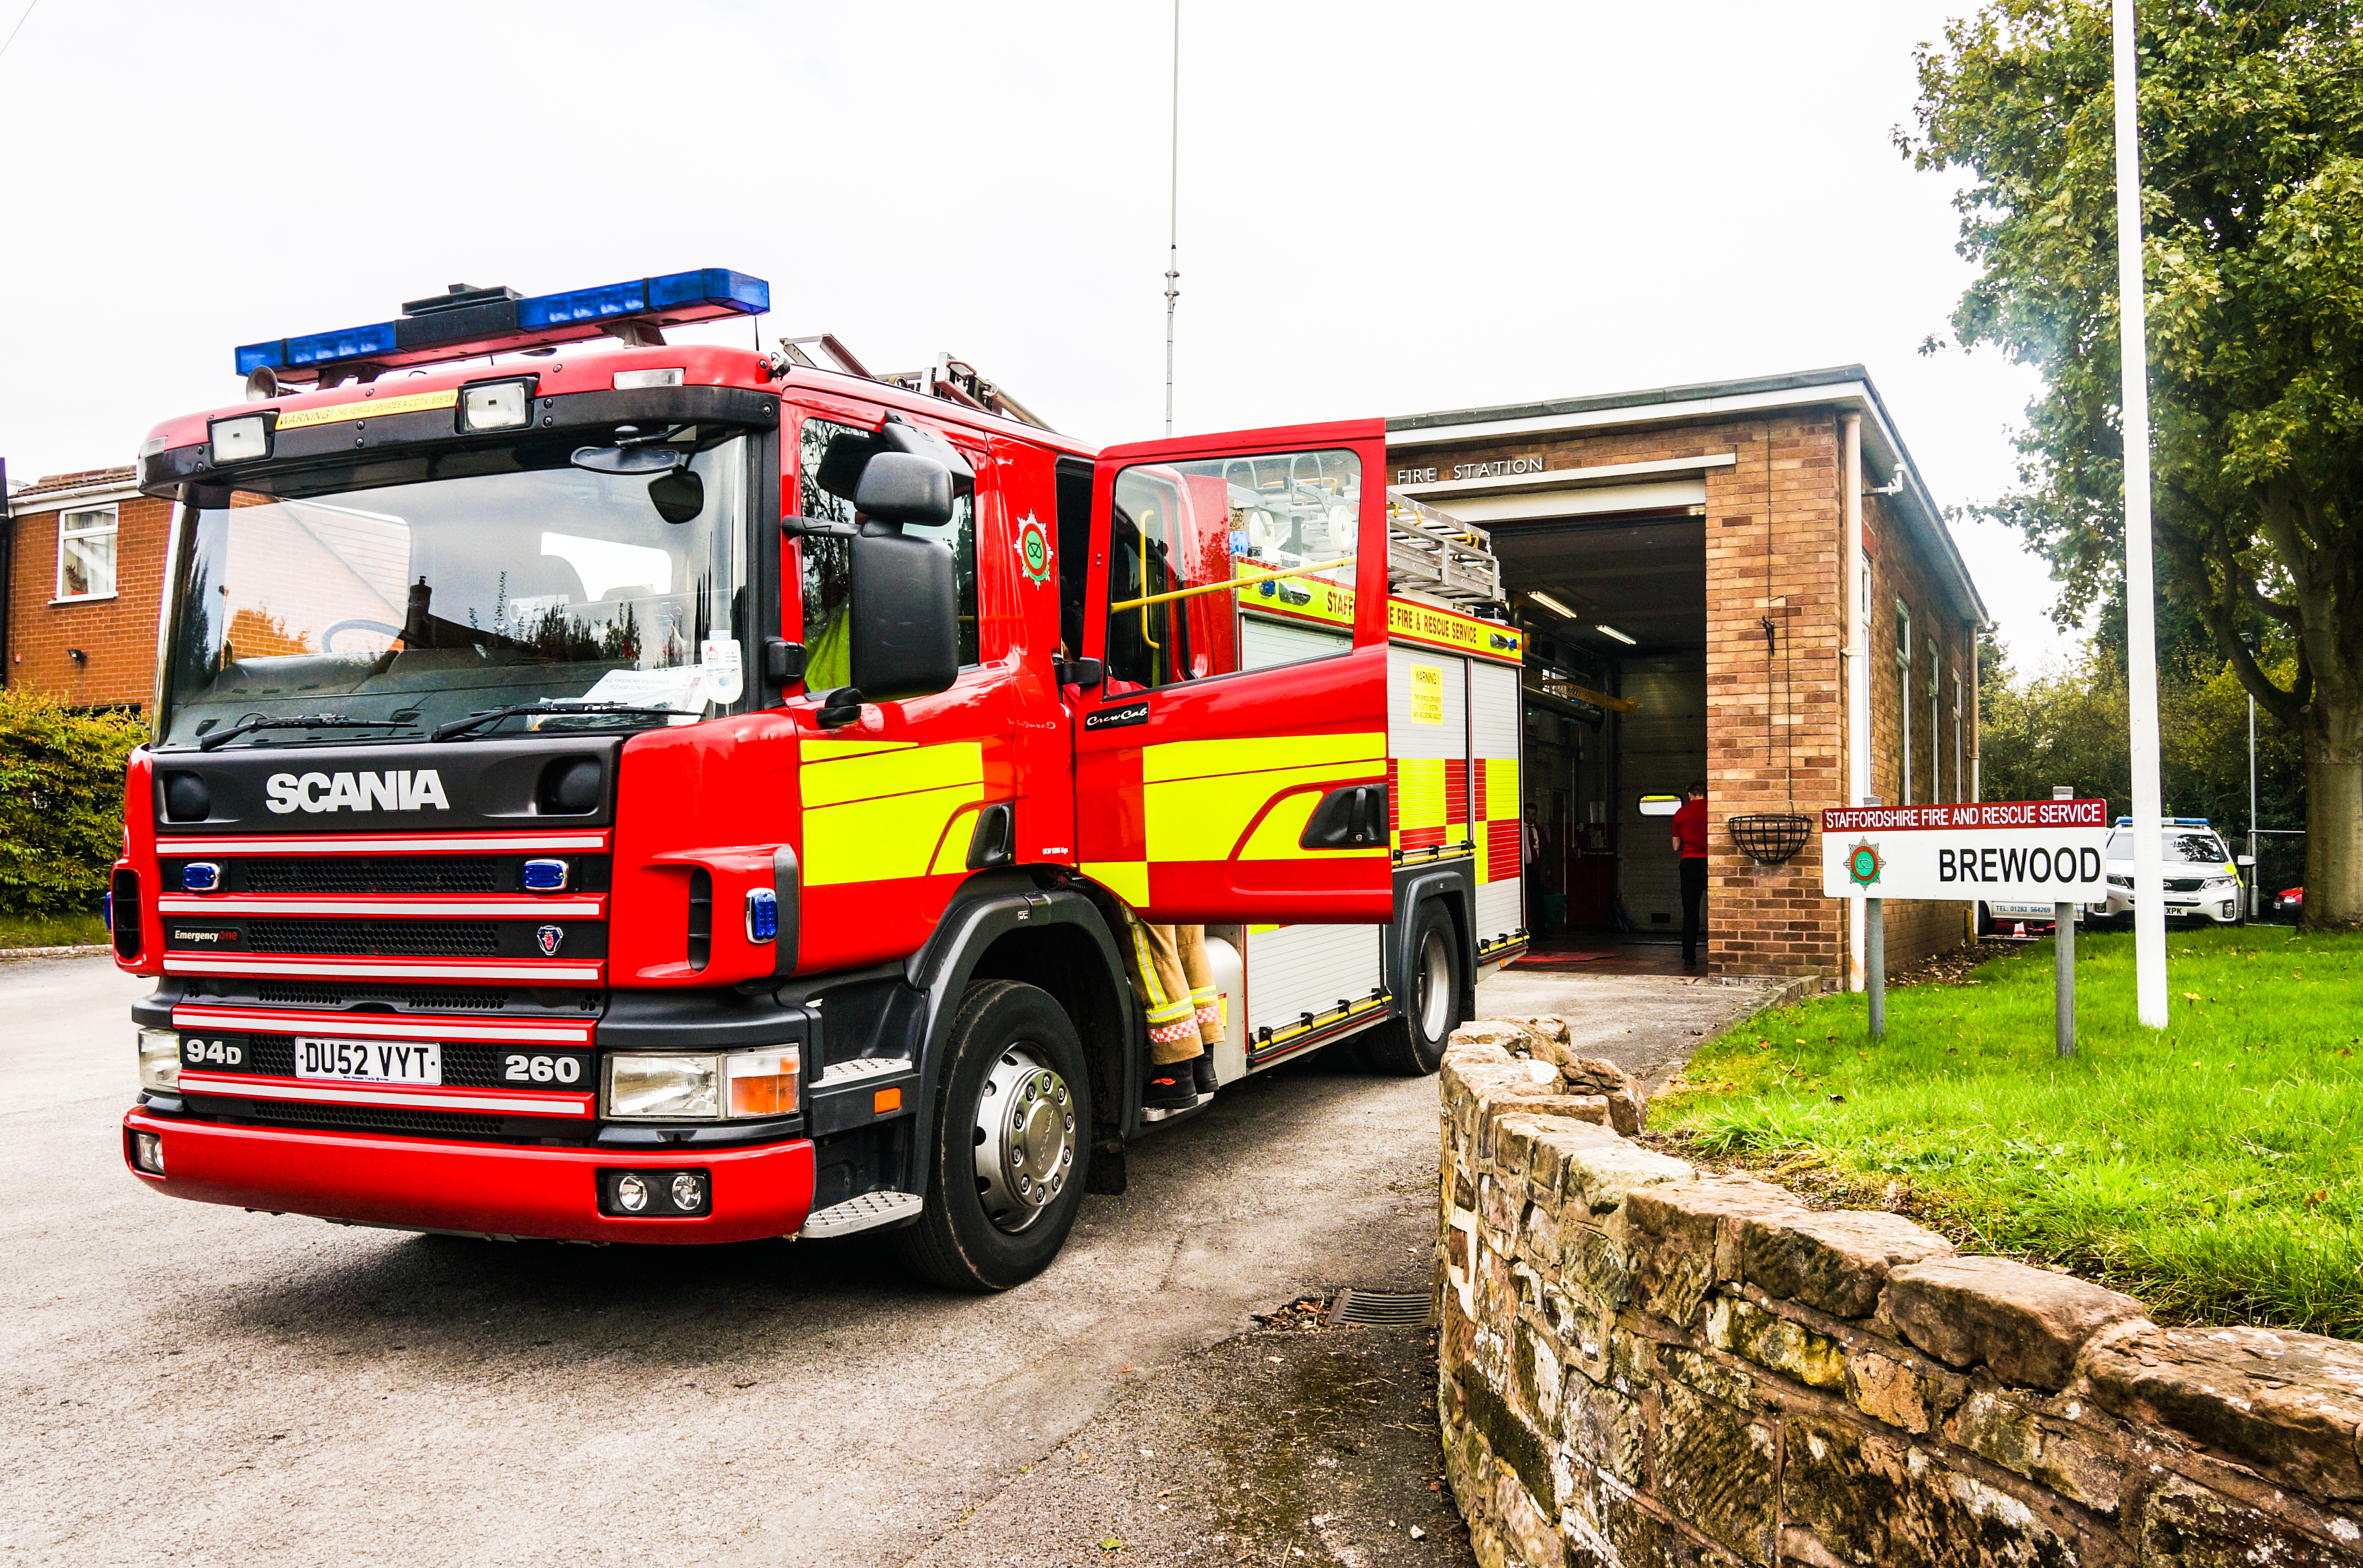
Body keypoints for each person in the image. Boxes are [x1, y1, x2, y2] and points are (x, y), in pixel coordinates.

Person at [1670, 781, 1709, 967]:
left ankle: (1689, 956)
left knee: (1690, 912)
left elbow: (1676, 846)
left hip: (1690, 863)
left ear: (1690, 794)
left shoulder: (1681, 813)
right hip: (1711, 863)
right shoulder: (1713, 810)